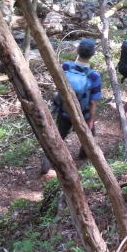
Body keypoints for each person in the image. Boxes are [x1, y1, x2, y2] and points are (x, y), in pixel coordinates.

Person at [40, 38, 102, 174]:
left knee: (60, 135)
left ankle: (48, 158)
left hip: (64, 111)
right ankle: (83, 155)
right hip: (83, 114)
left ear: (77, 51)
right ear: (92, 54)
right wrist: (91, 119)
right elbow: (92, 102)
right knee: (89, 135)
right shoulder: (94, 76)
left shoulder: (66, 66)